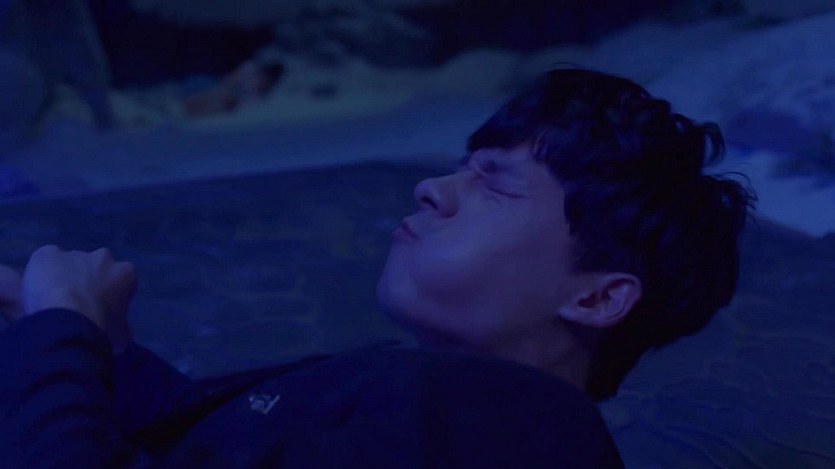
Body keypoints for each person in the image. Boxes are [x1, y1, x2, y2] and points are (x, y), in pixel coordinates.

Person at [0, 68, 754, 467]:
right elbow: (205, 437)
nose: (432, 187)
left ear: (596, 297)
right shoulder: (430, 397)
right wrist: (102, 350)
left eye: (494, 184)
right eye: (461, 168)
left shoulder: (527, 424)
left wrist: (61, 332)